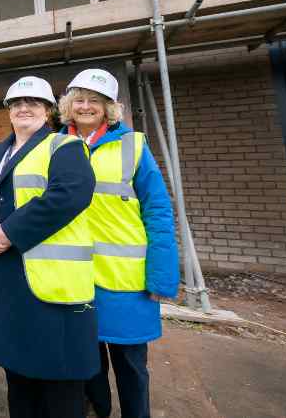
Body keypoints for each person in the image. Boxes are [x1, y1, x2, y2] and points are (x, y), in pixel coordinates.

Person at [0, 76, 98, 418]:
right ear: (8, 112)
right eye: (16, 103)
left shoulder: (64, 148)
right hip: (4, 282)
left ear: (48, 111)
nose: (24, 108)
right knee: (17, 374)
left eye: (33, 103)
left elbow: (68, 195)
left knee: (59, 382)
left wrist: (7, 233)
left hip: (49, 286)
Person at [59, 69, 178, 418]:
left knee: (131, 367)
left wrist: (161, 276)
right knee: (87, 364)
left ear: (109, 108)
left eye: (94, 101)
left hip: (127, 281)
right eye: (78, 99)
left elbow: (158, 210)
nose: (85, 106)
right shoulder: (55, 143)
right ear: (68, 104)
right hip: (75, 279)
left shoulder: (134, 145)